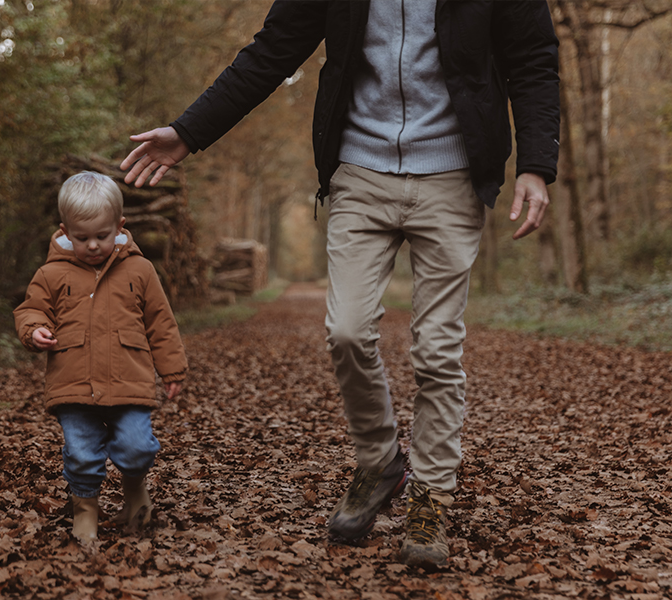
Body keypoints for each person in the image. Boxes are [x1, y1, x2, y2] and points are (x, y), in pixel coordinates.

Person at [120, 1, 559, 567]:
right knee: (347, 331)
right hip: (360, 169)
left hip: (453, 172)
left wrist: (536, 164)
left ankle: (430, 499)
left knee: (437, 350)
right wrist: (188, 131)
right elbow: (272, 51)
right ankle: (379, 462)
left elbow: (532, 59)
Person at [14, 171, 188, 541]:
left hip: (130, 381)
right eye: (81, 237)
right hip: (73, 383)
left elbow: (161, 321)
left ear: (119, 226)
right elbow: (30, 310)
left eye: (102, 236)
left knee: (137, 446)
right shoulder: (51, 273)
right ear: (65, 231)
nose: (92, 245)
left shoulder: (140, 270)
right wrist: (35, 329)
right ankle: (85, 512)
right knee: (81, 453)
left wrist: (172, 369)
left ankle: (135, 489)